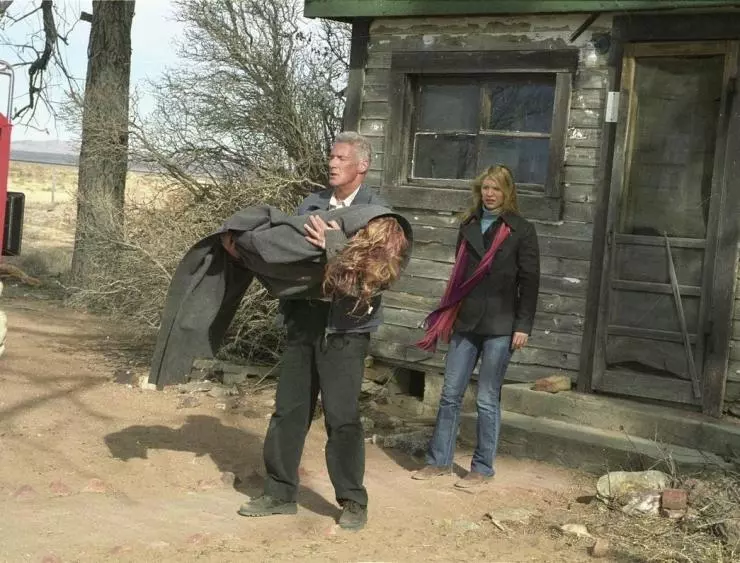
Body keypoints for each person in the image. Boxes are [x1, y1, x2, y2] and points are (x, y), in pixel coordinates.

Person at [238, 131, 389, 530]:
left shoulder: (378, 215)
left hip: (346, 328)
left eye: (341, 158)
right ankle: (278, 492)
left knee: (342, 417)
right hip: (304, 321)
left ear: (362, 165)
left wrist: (333, 242)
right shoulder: (311, 205)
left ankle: (353, 502)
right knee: (288, 411)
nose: (332, 163)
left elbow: (376, 272)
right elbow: (290, 253)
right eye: (331, 156)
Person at [412, 165, 540, 488]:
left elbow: (530, 281)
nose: (490, 194)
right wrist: (449, 315)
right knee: (450, 394)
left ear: (507, 192)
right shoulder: (468, 225)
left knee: (486, 398)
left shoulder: (521, 230)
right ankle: (439, 461)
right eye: (485, 188)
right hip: (467, 321)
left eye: (496, 188)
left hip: (501, 324)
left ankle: (482, 468)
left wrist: (523, 325)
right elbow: (459, 277)